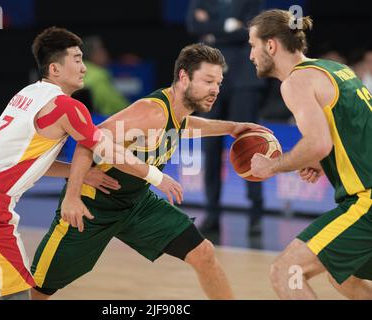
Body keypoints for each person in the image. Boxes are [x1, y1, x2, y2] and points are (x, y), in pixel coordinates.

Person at [0, 27, 182, 300]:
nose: (84, 67)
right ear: (55, 69)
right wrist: (156, 176)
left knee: (5, 294)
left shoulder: (28, 94)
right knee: (16, 296)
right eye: (77, 59)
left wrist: (80, 175)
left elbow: (33, 161)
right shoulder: (65, 107)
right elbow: (108, 150)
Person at [30, 43, 270, 300]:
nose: (215, 90)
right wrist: (72, 195)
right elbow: (89, 140)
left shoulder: (177, 112)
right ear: (184, 77)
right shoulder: (151, 111)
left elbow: (184, 126)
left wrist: (232, 127)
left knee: (204, 253)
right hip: (93, 206)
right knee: (42, 287)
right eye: (208, 81)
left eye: (219, 83)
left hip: (136, 203)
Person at [249, 9, 372, 299]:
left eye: (252, 46)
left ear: (271, 45)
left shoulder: (296, 82)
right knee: (340, 272)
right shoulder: (334, 69)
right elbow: (350, 133)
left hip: (367, 201)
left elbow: (318, 143)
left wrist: (273, 166)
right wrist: (320, 161)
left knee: (286, 272)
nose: (251, 55)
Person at [186, 0, 266, 236]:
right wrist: (229, 26)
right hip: (211, 78)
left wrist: (213, 31)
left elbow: (252, 32)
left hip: (244, 79)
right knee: (210, 144)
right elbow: (192, 25)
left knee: (250, 143)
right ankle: (212, 212)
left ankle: (256, 213)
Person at [81, 35, 130, 116]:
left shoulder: (77, 70)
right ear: (94, 54)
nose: (106, 53)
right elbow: (116, 105)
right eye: (102, 49)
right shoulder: (98, 75)